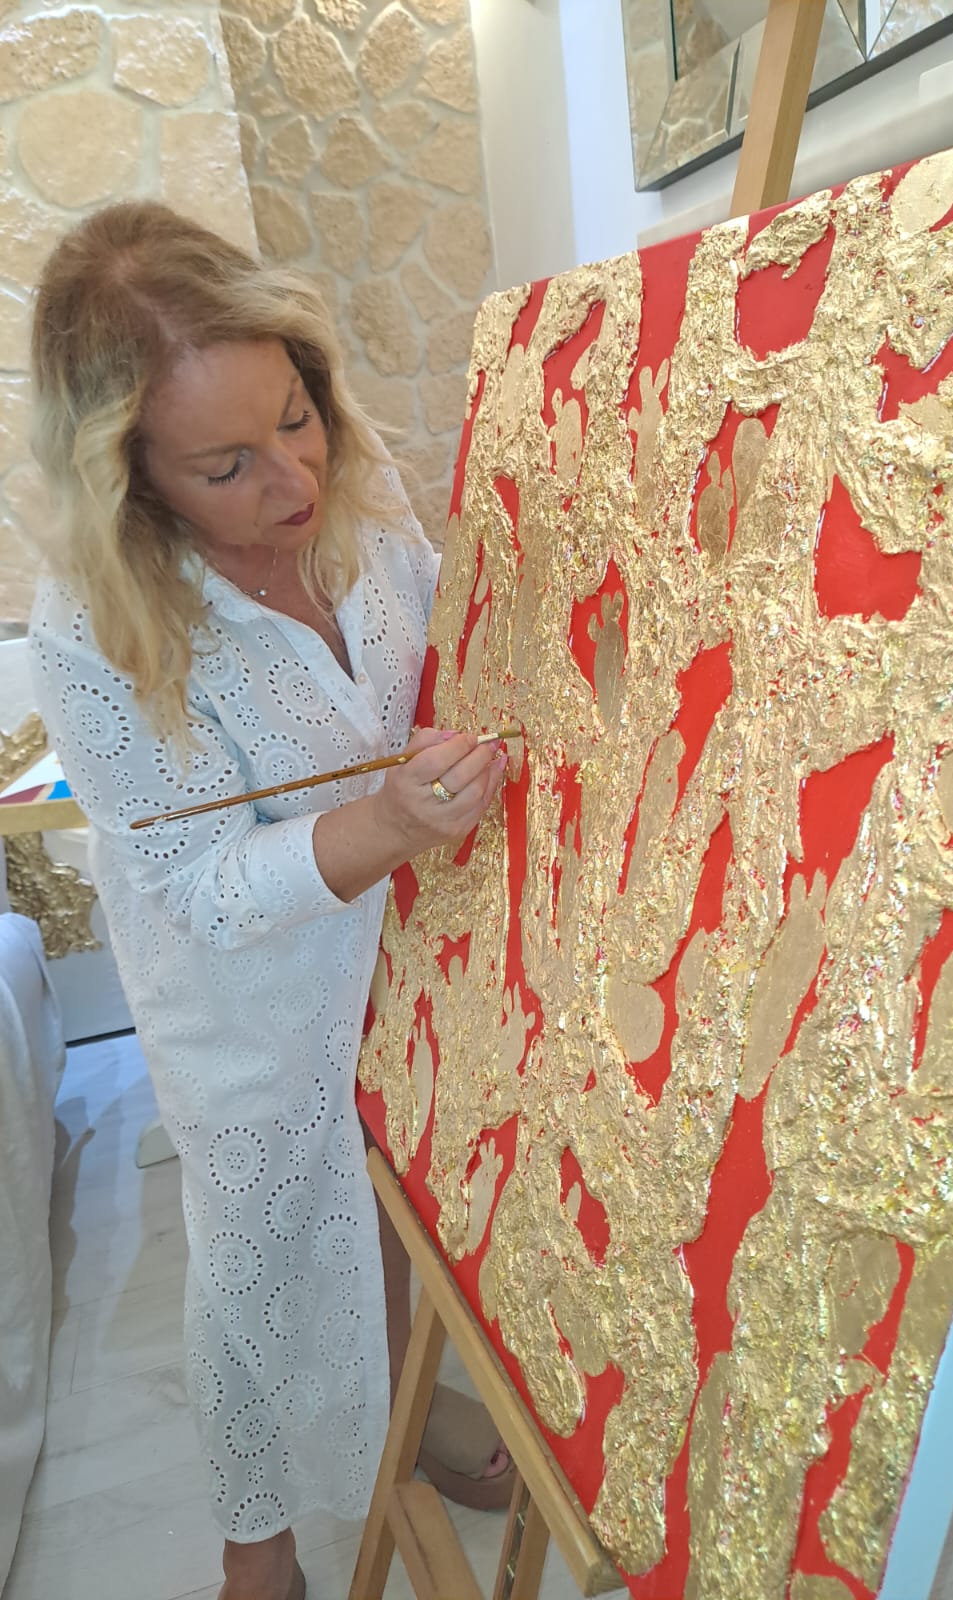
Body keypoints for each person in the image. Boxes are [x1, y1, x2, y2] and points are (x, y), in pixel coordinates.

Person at [28, 201, 510, 1600]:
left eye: (296, 417)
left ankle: (410, 1407)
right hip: (244, 1002)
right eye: (225, 465)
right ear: (132, 479)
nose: (293, 478)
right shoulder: (92, 627)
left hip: (412, 943)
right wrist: (384, 820)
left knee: (401, 1207)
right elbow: (197, 887)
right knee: (259, 1262)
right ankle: (260, 1540)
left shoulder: (351, 484)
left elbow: (434, 634)